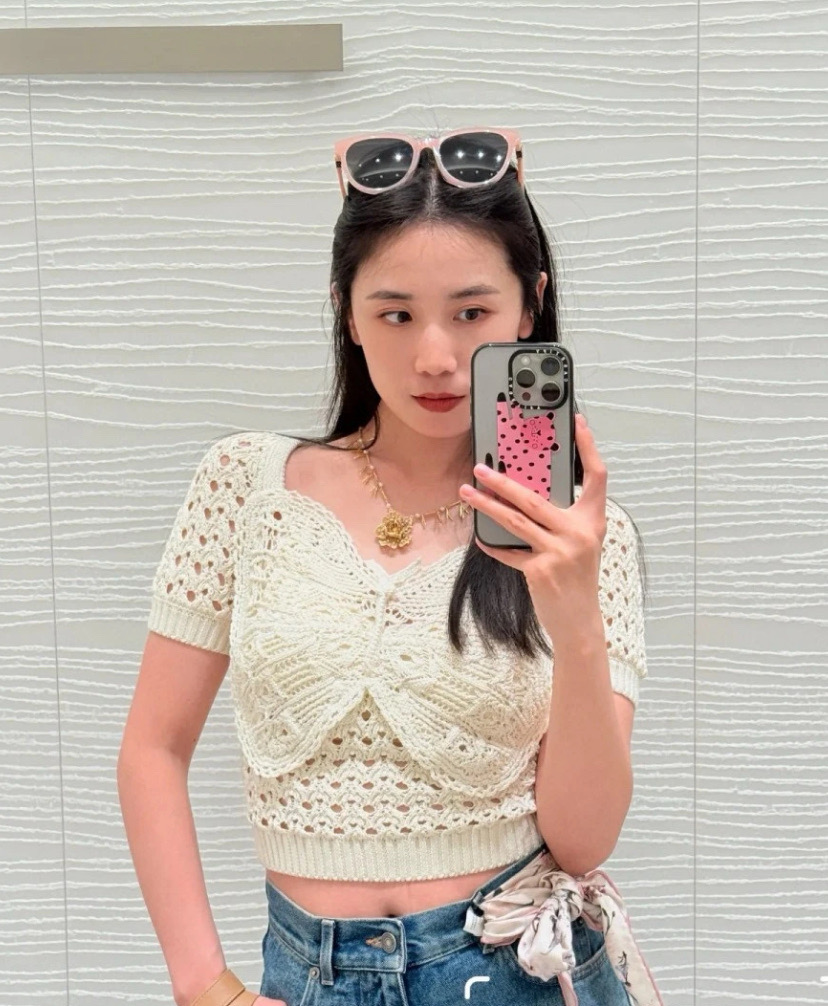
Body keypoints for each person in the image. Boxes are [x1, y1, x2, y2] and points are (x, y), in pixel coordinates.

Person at [118, 128, 665, 1006]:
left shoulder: (585, 537)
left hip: (512, 969)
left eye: (472, 312)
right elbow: (154, 746)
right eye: (397, 314)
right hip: (307, 976)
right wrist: (202, 985)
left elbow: (583, 840)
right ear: (347, 311)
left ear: (530, 308)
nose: (435, 356)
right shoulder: (246, 486)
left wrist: (574, 617)